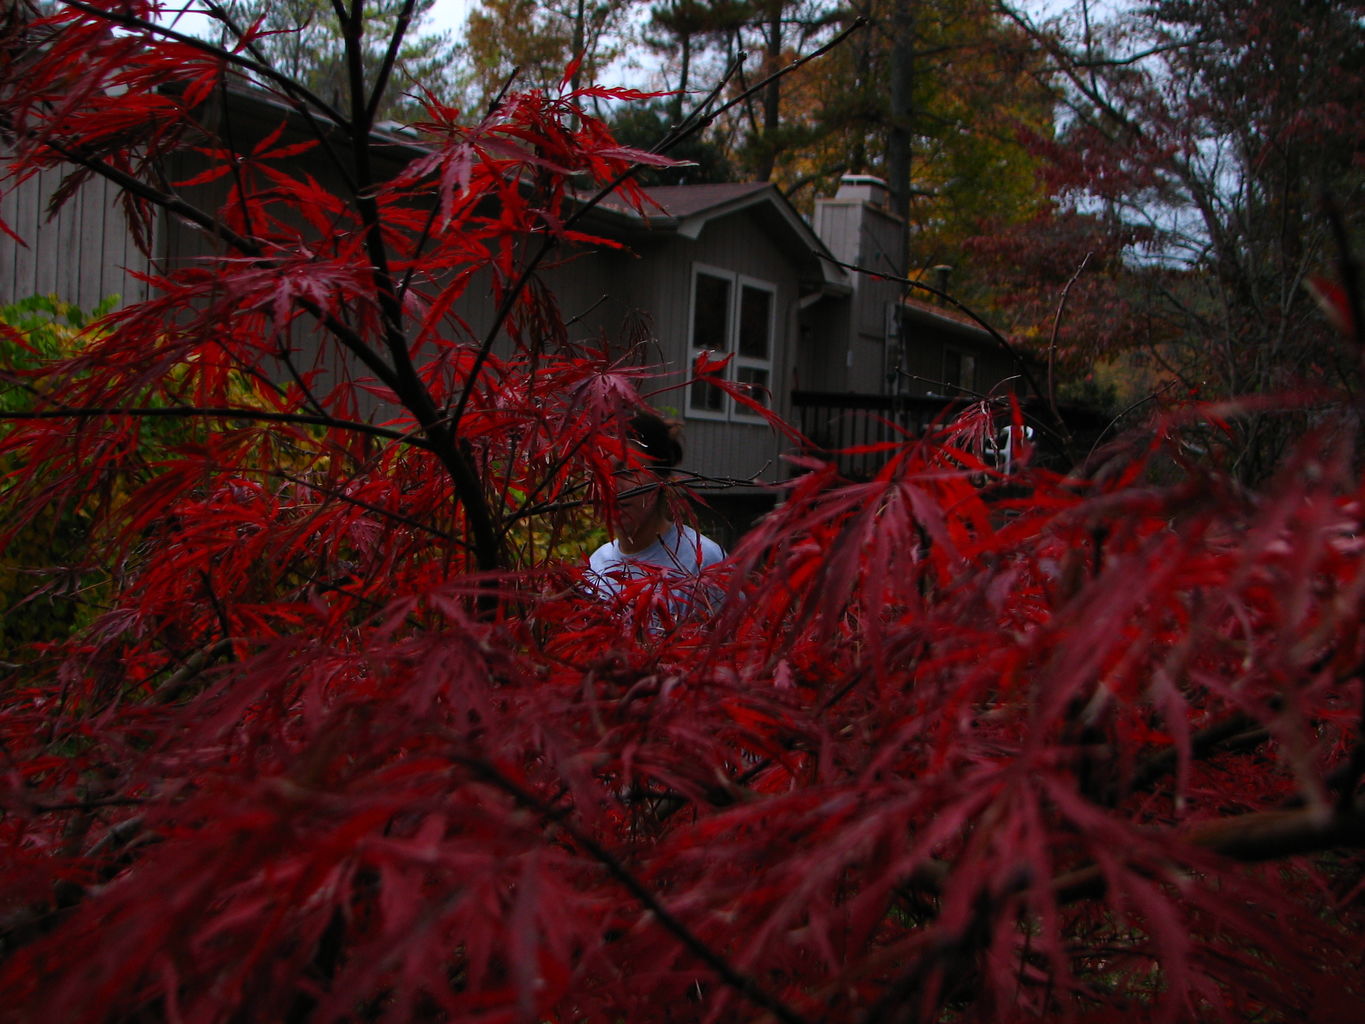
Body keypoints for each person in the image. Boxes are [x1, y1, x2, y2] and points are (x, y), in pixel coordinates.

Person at [587, 412, 725, 617]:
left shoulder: (702, 562)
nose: (611, 486)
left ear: (662, 478)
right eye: (600, 472)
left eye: (626, 471)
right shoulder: (597, 565)